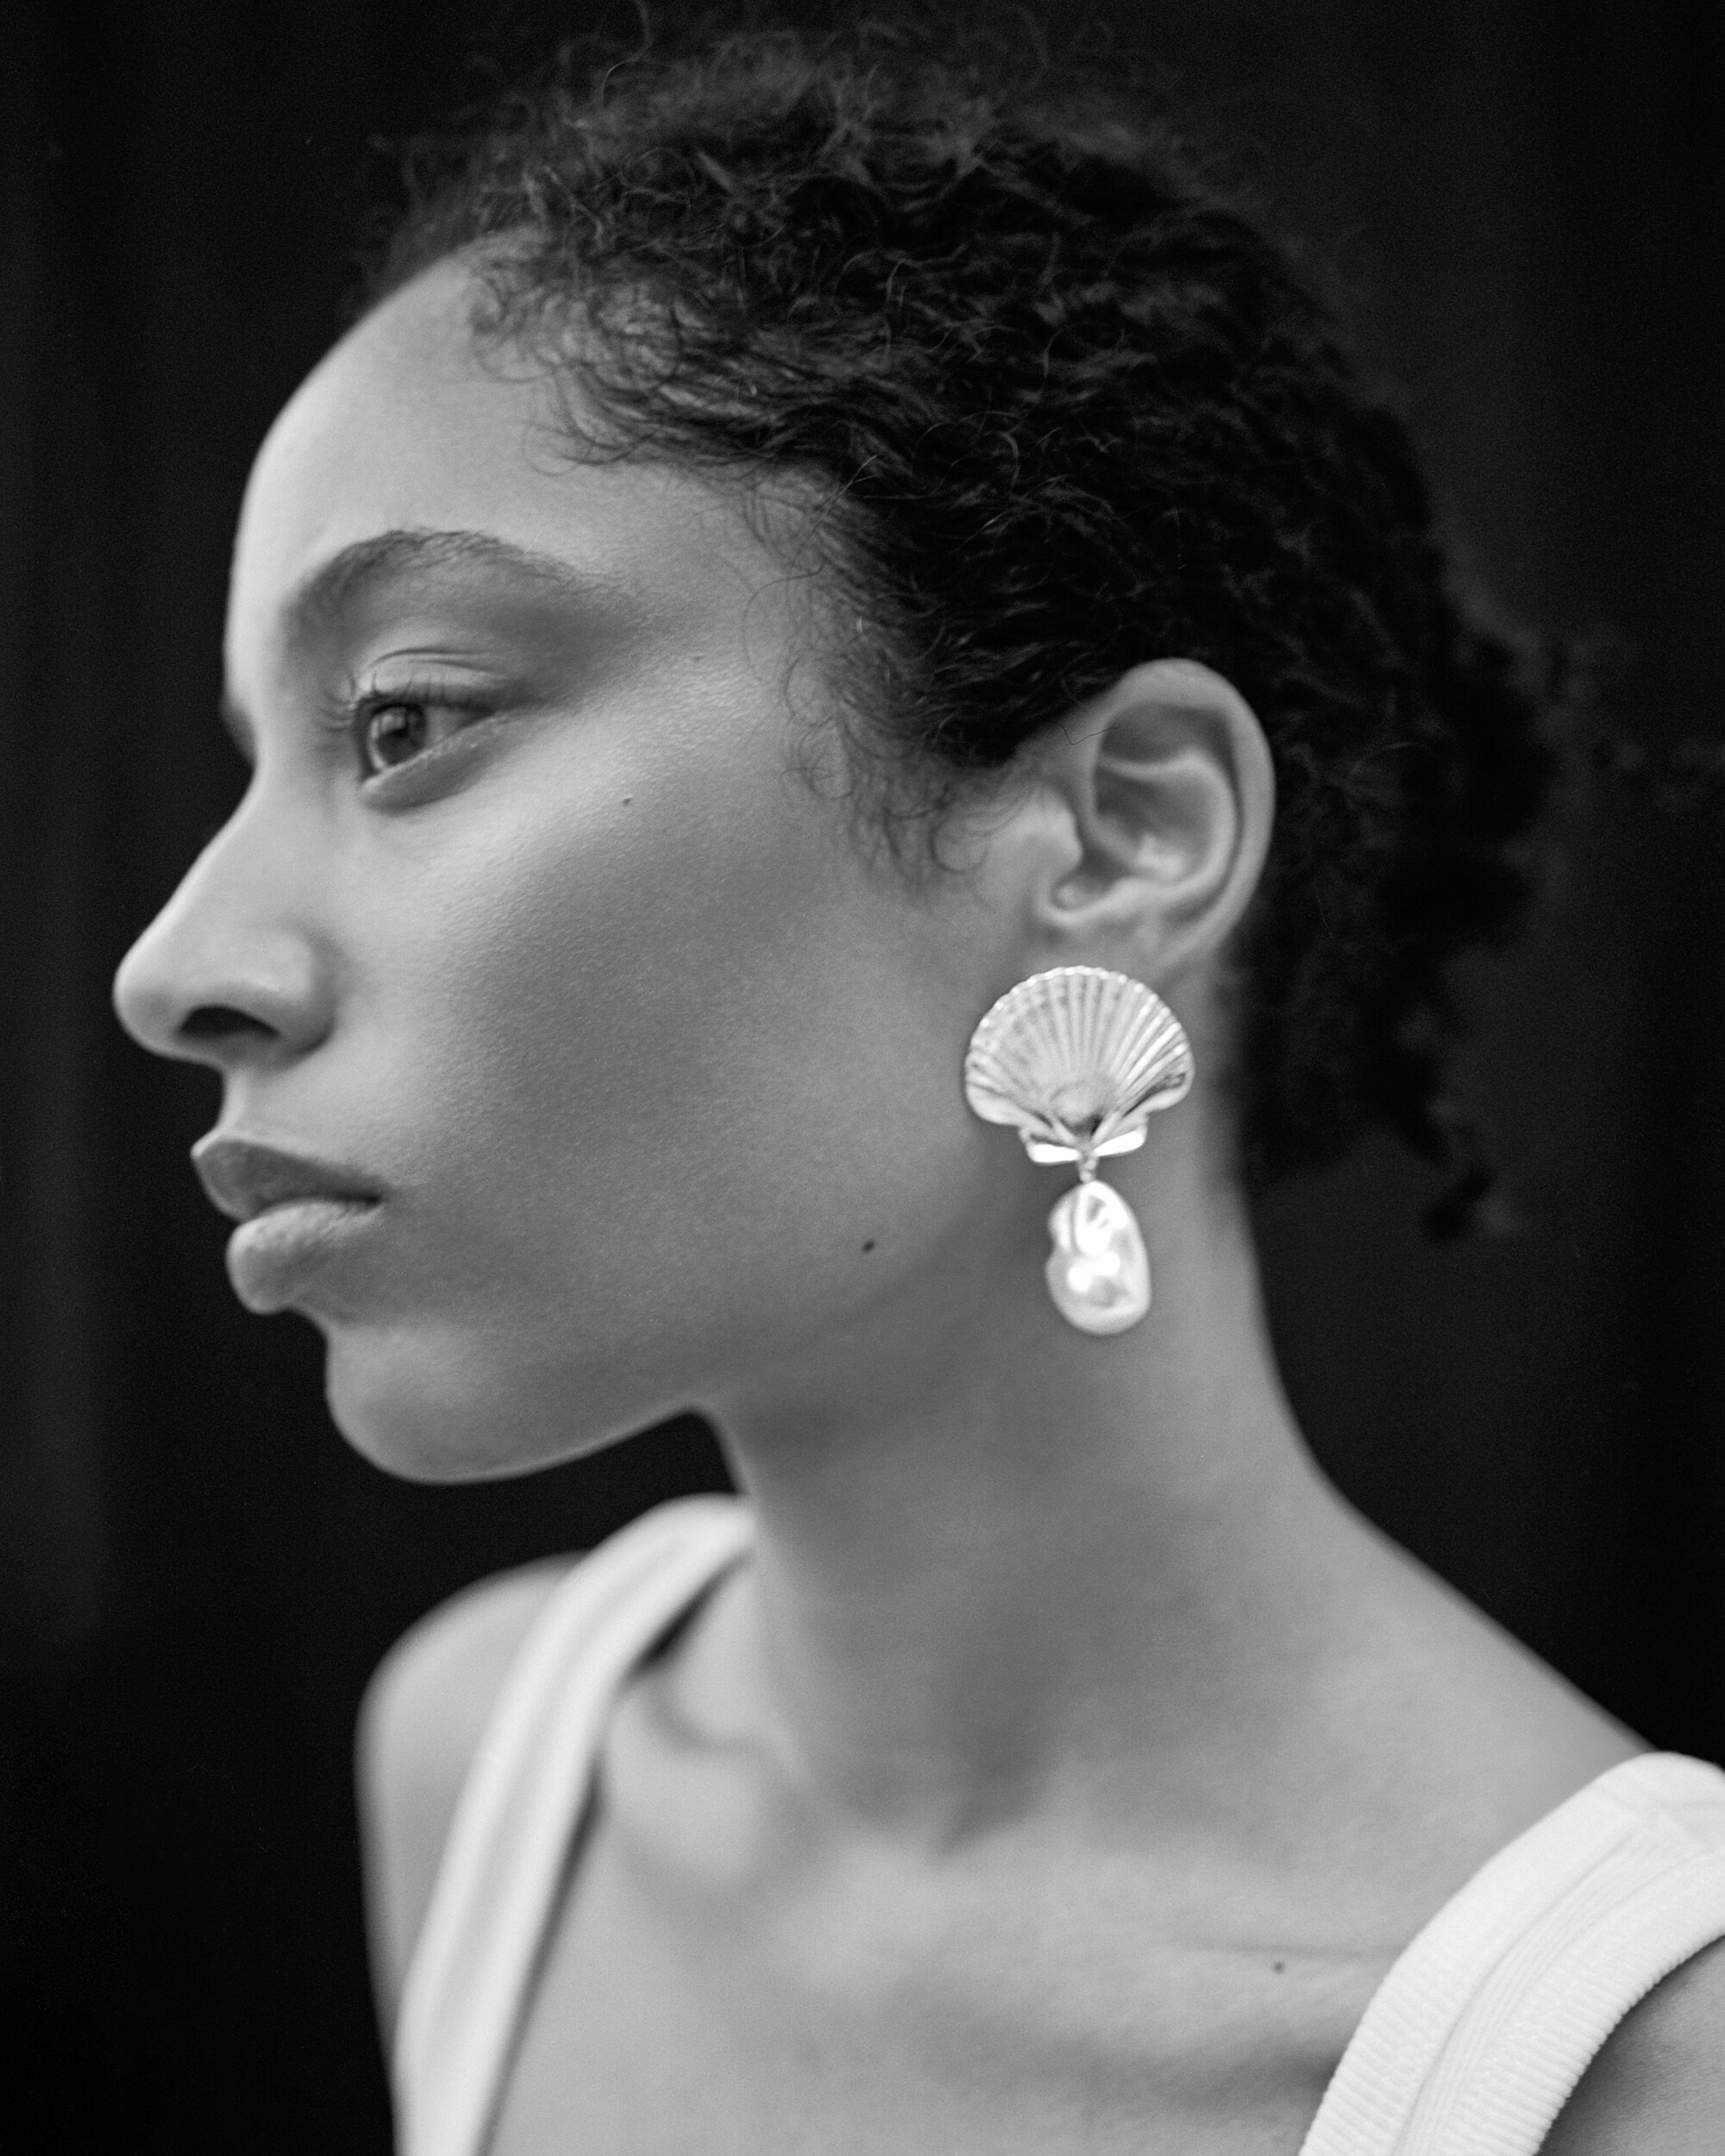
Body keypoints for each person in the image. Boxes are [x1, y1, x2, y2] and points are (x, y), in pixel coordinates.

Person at [111, 27, 1725, 2155]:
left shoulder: (1641, 2075)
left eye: (404, 719)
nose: (173, 966)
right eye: (259, 759)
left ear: (1123, 834)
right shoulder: (494, 1760)